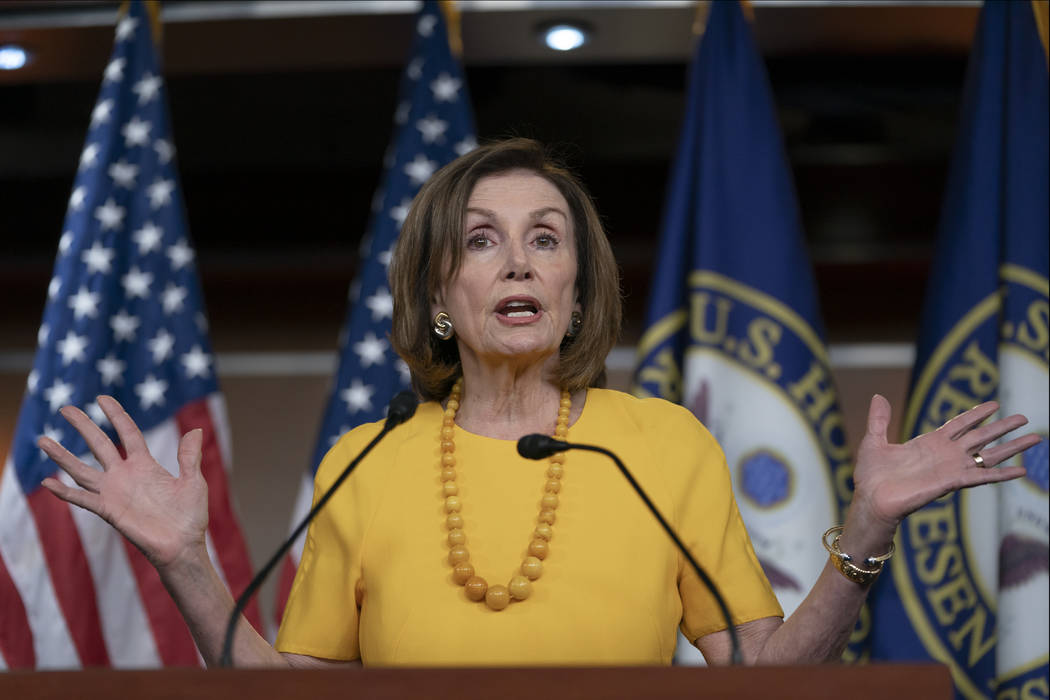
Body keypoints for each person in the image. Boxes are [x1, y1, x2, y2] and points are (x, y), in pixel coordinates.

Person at [38, 138, 1039, 668]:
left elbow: (760, 670)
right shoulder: (362, 456)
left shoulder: (659, 443)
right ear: (437, 297)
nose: (517, 260)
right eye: (480, 240)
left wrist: (863, 530)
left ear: (574, 290)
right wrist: (183, 560)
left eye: (546, 238)